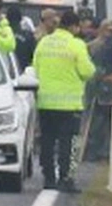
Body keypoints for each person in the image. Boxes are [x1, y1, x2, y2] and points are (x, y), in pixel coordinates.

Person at [32, 10, 96, 192]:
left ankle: (49, 178)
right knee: (69, 143)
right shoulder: (76, 44)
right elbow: (86, 71)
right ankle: (66, 179)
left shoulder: (44, 42)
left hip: (45, 102)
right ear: (74, 26)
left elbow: (34, 67)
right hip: (69, 105)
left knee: (47, 141)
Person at [6, 6, 37, 72]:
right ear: (20, 19)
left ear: (7, 18)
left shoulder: (1, 35)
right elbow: (34, 57)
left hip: (4, 72)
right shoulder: (28, 37)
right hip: (24, 74)